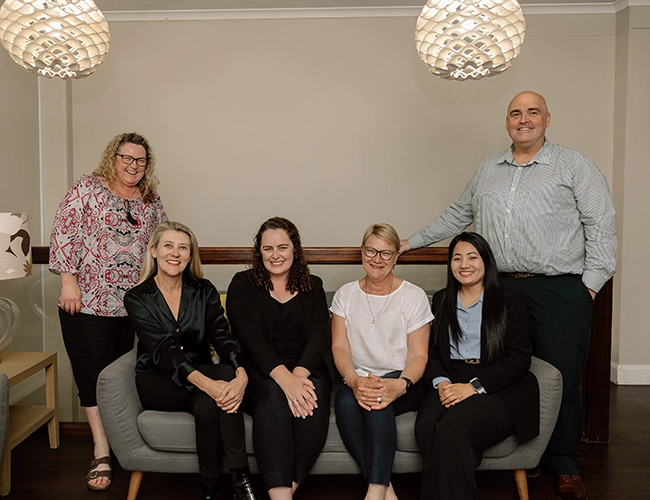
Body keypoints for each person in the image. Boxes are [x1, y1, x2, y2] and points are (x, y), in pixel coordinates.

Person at [401, 91, 617, 500]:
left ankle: (565, 465)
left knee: (560, 376)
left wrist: (588, 286)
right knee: (502, 367)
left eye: (532, 112)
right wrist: (411, 242)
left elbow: (602, 224)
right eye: (516, 113)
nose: (524, 119)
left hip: (558, 288)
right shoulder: (488, 170)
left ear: (547, 119)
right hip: (500, 285)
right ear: (506, 123)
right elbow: (457, 213)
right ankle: (520, 452)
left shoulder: (574, 166)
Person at [49, 132, 166, 491]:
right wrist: (69, 283)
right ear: (112, 158)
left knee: (125, 377)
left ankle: (123, 445)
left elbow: (162, 243)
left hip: (137, 307)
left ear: (148, 166)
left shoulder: (151, 199)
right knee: (93, 376)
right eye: (126, 158)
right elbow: (64, 233)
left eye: (140, 160)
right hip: (89, 303)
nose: (133, 165)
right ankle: (101, 449)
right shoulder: (87, 188)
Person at [124, 221, 257, 500]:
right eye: (168, 246)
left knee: (211, 400)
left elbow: (222, 335)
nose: (176, 253)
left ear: (189, 255)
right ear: (154, 251)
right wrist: (208, 383)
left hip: (201, 373)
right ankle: (240, 483)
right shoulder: (137, 297)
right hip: (158, 380)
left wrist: (241, 372)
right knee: (214, 390)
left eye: (183, 247)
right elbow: (164, 350)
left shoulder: (204, 290)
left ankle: (217, 487)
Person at [415, 232, 539, 499]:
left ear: (486, 261)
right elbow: (433, 351)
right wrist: (443, 383)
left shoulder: (510, 299)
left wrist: (473, 387)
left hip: (497, 385)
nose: (464, 264)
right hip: (451, 377)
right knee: (426, 426)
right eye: (457, 258)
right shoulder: (441, 300)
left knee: (452, 428)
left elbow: (518, 358)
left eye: (473, 257)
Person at [226, 217, 331, 500]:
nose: (275, 255)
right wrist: (284, 379)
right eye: (268, 248)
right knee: (274, 399)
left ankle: (286, 491)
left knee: (313, 395)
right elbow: (250, 338)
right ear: (258, 251)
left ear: (294, 249)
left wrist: (298, 377)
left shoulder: (314, 285)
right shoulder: (243, 284)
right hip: (259, 369)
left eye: (282, 247)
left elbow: (319, 335)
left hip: (306, 367)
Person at [331, 223, 432, 500]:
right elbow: (339, 346)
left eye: (386, 253)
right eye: (371, 250)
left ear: (397, 256)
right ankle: (386, 490)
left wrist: (401, 383)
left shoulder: (413, 296)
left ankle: (375, 491)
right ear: (362, 252)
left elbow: (418, 355)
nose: (377, 259)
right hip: (359, 376)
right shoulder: (345, 294)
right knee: (345, 401)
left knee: (377, 400)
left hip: (403, 378)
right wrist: (352, 379)